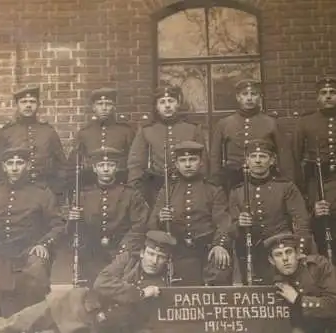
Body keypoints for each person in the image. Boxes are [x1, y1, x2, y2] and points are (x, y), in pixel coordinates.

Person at [0, 230, 176, 333]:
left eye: (161, 257)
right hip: (72, 304)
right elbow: (102, 283)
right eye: (151, 254)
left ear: (166, 260)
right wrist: (141, 294)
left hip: (94, 326)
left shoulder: (164, 285)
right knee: (13, 324)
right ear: (143, 252)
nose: (154, 260)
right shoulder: (127, 260)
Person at [0, 146, 66, 319]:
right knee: (3, 317)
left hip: (30, 249)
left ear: (28, 165)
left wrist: (43, 244)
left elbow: (59, 225)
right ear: (4, 167)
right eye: (10, 163)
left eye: (19, 163)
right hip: (2, 251)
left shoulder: (42, 193)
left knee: (34, 282)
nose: (15, 167)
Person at [148, 141, 233, 286]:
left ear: (201, 163)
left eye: (192, 160)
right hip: (179, 251)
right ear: (176, 164)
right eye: (183, 160)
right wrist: (160, 218)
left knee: (219, 272)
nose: (188, 164)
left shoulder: (213, 189)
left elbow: (223, 221)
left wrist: (220, 244)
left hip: (207, 249)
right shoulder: (168, 190)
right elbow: (151, 225)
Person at [229, 139, 313, 285]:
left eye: (263, 156)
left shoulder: (286, 187)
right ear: (247, 161)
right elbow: (230, 228)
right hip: (252, 252)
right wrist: (239, 224)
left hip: (281, 252)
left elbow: (301, 220)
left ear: (272, 160)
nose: (258, 161)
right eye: (253, 157)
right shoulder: (237, 191)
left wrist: (300, 249)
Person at [68, 146, 149, 286]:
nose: (105, 169)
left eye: (110, 165)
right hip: (93, 254)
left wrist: (125, 249)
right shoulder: (83, 195)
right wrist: (73, 219)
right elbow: (75, 232)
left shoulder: (130, 194)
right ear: (94, 168)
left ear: (116, 168)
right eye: (101, 165)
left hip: (122, 253)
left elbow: (140, 225)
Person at [127, 85, 208, 206]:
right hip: (157, 188)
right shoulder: (147, 130)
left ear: (178, 104)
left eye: (171, 101)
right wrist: (136, 191)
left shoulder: (192, 129)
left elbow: (203, 162)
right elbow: (136, 164)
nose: (167, 105)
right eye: (162, 102)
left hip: (187, 186)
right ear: (156, 107)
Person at [210, 79, 294, 191]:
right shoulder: (224, 124)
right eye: (245, 94)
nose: (249, 98)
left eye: (253, 94)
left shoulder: (271, 123)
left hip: (264, 179)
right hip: (233, 179)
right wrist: (216, 183)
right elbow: (215, 156)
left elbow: (284, 156)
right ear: (238, 97)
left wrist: (288, 182)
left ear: (260, 97)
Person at [0, 86, 68, 200]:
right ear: (17, 105)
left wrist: (55, 192)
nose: (28, 105)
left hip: (44, 191)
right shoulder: (6, 132)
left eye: (32, 102)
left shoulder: (48, 132)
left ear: (38, 104)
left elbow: (61, 165)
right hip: (16, 192)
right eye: (23, 102)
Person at [293, 76, 336, 265]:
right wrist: (304, 191)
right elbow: (295, 157)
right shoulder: (305, 122)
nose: (328, 97)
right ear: (317, 97)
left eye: (333, 92)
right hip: (318, 183)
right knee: (321, 228)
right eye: (324, 93)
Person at [266, 233, 336, 333]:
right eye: (278, 254)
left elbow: (334, 304)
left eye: (289, 252)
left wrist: (298, 300)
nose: (285, 258)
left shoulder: (318, 266)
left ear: (298, 253)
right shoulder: (270, 278)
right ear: (271, 260)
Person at [68, 88, 135, 185]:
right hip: (90, 184)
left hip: (120, 183)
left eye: (108, 104)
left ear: (114, 107)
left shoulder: (126, 132)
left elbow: (134, 162)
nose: (104, 108)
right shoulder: (84, 133)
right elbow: (74, 162)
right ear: (93, 107)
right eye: (100, 104)